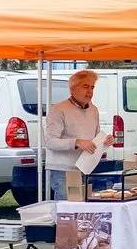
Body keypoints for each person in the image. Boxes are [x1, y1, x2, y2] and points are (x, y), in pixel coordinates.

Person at [41, 68, 106, 201]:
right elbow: (50, 142)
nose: (90, 92)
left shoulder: (93, 110)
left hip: (86, 167)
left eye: (92, 87)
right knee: (67, 211)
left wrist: (104, 141)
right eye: (85, 87)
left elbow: (95, 138)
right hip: (63, 170)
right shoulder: (58, 109)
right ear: (72, 89)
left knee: (83, 210)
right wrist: (76, 142)